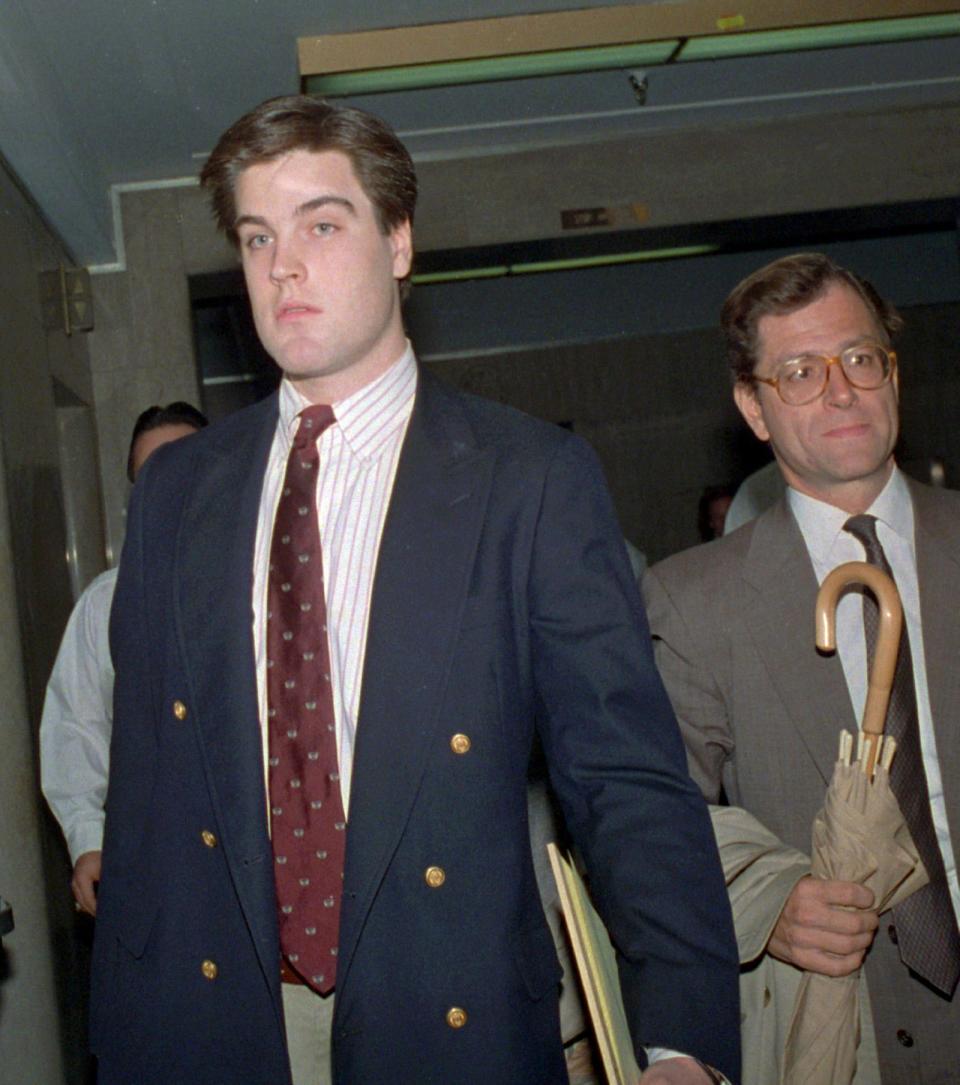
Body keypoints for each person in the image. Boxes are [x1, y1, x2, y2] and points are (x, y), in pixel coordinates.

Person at [90, 96, 739, 1085]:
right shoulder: (178, 492)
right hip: (217, 1015)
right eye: (258, 236)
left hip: (446, 1007)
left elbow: (624, 777)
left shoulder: (527, 478)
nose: (284, 266)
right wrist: (120, 1039)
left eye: (321, 223)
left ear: (398, 242)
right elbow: (143, 796)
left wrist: (684, 1036)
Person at [643, 253, 960, 1084]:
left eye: (860, 359)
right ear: (753, 406)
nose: (841, 390)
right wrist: (769, 900)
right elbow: (651, 815)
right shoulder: (693, 601)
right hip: (845, 1021)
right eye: (799, 372)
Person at [40, 402, 208, 915]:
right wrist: (89, 838)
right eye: (152, 478)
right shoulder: (107, 604)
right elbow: (77, 725)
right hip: (161, 871)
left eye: (187, 468)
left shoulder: (275, 588)